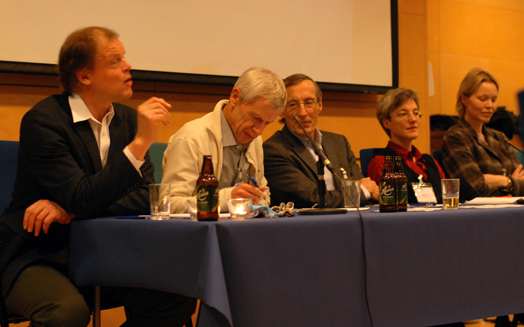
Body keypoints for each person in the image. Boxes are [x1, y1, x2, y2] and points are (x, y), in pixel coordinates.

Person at [0, 27, 195, 326]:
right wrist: (140, 145)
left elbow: (146, 197)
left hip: (102, 250)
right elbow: (84, 196)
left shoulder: (128, 120)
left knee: (173, 296)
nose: (127, 65)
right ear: (84, 75)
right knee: (66, 313)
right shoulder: (44, 121)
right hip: (39, 253)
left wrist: (70, 209)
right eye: (115, 60)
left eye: (124, 57)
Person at [162, 67, 286, 213]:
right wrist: (226, 199)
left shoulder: (254, 139)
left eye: (267, 123)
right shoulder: (191, 138)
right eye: (256, 118)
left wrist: (257, 199)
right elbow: (169, 204)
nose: (259, 131)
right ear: (235, 97)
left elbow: (263, 192)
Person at [263, 73, 379, 208]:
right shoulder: (274, 149)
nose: (303, 112)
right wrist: (363, 191)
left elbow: (359, 182)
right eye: (293, 104)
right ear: (281, 111)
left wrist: (361, 189)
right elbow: (313, 198)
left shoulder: (339, 143)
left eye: (309, 103)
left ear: (320, 105)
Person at [441, 68, 524, 200]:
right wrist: (511, 182)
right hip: (477, 215)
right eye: (483, 99)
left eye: (494, 99)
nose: (490, 105)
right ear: (464, 99)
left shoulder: (499, 137)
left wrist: (501, 181)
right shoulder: (455, 137)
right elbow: (475, 189)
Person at [367, 88, 446, 203]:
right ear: (387, 123)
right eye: (403, 114)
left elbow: (446, 198)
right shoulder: (382, 163)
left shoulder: (430, 161)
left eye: (416, 113)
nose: (413, 119)